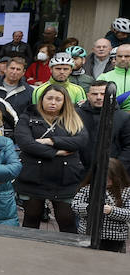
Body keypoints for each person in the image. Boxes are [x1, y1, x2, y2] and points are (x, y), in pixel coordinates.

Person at [13, 83, 88, 233]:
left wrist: (51, 141)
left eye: (58, 99)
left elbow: (80, 141)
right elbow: (26, 143)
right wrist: (56, 152)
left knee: (66, 220)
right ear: (42, 99)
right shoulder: (28, 116)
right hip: (33, 177)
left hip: (65, 179)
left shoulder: (73, 117)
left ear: (65, 101)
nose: (53, 102)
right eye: (50, 98)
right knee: (31, 219)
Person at [71, 159, 130, 252]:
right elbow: (75, 205)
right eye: (104, 177)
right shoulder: (88, 188)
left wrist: (112, 211)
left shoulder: (126, 191)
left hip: (114, 237)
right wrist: (89, 208)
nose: (106, 181)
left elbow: (128, 213)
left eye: (110, 178)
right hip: (89, 233)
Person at [77, 81, 130, 170]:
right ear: (88, 96)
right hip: (80, 172)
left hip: (112, 174)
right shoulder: (75, 116)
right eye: (94, 94)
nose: (99, 97)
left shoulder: (123, 117)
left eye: (103, 94)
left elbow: (128, 146)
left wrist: (117, 168)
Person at [104, 44, 130, 111]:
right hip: (113, 116)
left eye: (127, 56)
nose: (123, 59)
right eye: (120, 56)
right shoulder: (104, 77)